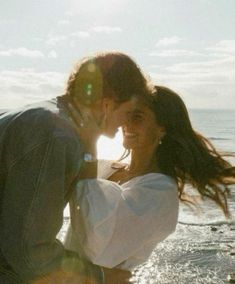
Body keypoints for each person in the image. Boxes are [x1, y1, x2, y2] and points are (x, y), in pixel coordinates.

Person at [0, 51, 150, 283]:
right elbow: (29, 254)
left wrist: (92, 145)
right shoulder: (55, 135)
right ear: (107, 105)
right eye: (128, 113)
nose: (126, 124)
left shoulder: (47, 118)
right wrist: (100, 276)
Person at [64, 85, 235, 283]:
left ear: (162, 129)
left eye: (137, 117)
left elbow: (94, 231)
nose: (125, 124)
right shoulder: (109, 167)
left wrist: (89, 141)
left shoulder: (160, 192)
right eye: (126, 114)